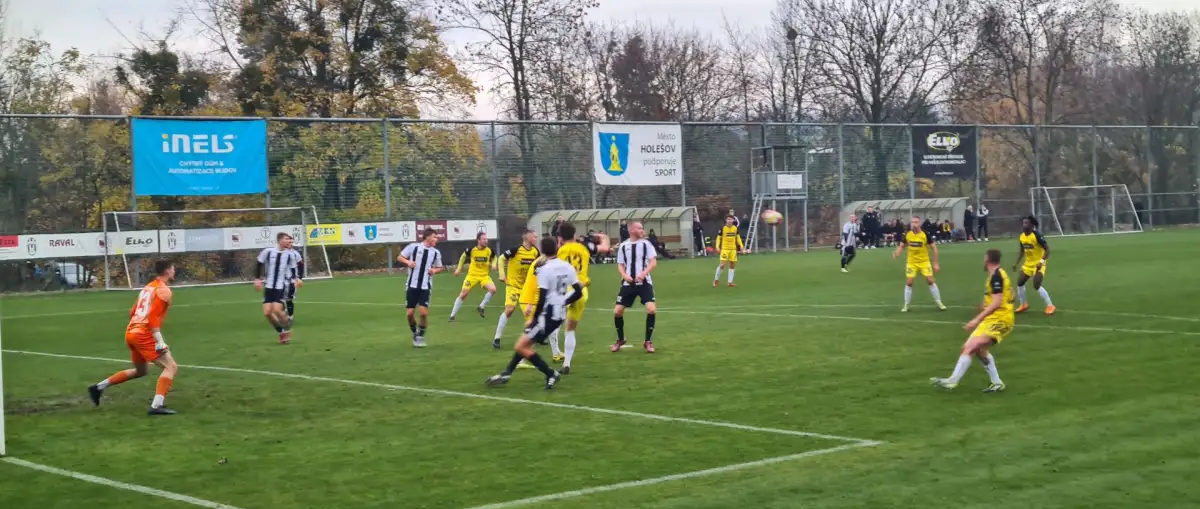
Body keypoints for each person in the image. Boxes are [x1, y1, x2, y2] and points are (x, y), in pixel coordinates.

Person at [485, 236, 582, 390]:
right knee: (525, 343)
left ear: (542, 250)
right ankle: (506, 373)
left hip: (546, 315)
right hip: (558, 314)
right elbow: (578, 292)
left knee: (521, 346)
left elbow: (542, 297)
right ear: (556, 249)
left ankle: (551, 374)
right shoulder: (567, 266)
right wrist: (562, 302)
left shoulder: (543, 268)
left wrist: (534, 318)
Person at [87, 259, 181, 415]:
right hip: (144, 334)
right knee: (170, 367)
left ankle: (98, 388)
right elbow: (152, 318)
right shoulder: (163, 291)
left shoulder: (147, 288)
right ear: (166, 271)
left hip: (131, 332)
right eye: (172, 269)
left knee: (141, 371)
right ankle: (157, 406)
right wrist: (160, 341)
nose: (174, 271)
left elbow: (132, 312)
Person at [931, 249, 1012, 393]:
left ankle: (952, 381)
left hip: (1000, 320)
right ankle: (997, 383)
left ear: (987, 260)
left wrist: (976, 319)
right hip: (992, 319)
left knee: (970, 347)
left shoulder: (996, 277)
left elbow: (997, 303)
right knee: (976, 349)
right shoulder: (998, 274)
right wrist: (982, 307)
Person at [556, 224, 610, 370]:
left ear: (560, 238)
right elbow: (605, 248)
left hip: (565, 289)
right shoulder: (585, 247)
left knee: (551, 319)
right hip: (582, 290)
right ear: (574, 235)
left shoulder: (558, 250)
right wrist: (602, 237)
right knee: (570, 328)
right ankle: (566, 363)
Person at [611, 222, 658, 355]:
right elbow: (620, 264)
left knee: (651, 309)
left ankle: (648, 341)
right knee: (617, 312)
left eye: (642, 228)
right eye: (639, 228)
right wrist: (625, 275)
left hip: (644, 283)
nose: (642, 230)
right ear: (631, 230)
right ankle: (620, 339)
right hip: (628, 284)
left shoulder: (646, 244)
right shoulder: (624, 245)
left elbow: (653, 262)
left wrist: (644, 273)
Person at [493, 229, 540, 349]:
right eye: (534, 236)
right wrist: (502, 274)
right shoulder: (516, 250)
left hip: (527, 288)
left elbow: (540, 265)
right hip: (513, 285)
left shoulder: (535, 252)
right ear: (527, 237)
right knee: (509, 310)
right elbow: (501, 259)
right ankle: (497, 338)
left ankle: (536, 336)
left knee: (533, 313)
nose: (536, 238)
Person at [398, 228, 445, 347]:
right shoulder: (413, 247)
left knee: (423, 313)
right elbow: (400, 257)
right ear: (427, 237)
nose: (436, 239)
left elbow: (440, 267)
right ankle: (415, 333)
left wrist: (434, 270)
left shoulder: (436, 252)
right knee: (409, 314)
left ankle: (420, 336)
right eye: (434, 237)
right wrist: (408, 262)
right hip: (411, 285)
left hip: (425, 286)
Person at [255, 232, 303, 344]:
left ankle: (288, 326)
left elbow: (293, 269)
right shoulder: (268, 252)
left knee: (276, 309)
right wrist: (257, 279)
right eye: (286, 239)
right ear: (280, 240)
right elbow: (259, 264)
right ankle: (281, 332)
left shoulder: (290, 255)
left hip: (281, 286)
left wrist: (298, 279)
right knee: (267, 313)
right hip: (269, 285)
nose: (289, 241)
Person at [893, 216, 946, 312]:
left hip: (924, 262)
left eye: (916, 222)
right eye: (912, 222)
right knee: (909, 282)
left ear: (919, 223)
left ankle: (939, 302)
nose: (914, 224)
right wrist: (897, 252)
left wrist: (935, 263)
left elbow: (934, 248)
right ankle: (906, 304)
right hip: (911, 262)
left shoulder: (925, 234)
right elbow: (902, 245)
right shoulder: (907, 234)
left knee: (930, 280)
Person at [1013, 216, 1056, 315]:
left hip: (1039, 264)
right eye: (1023, 223)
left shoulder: (1037, 235)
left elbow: (1047, 250)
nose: (1024, 225)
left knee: (1036, 285)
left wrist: (1041, 261)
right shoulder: (1022, 236)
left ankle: (1050, 306)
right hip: (1028, 265)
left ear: (1032, 225)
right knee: (1020, 283)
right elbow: (1022, 251)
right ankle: (1023, 304)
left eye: (1026, 223)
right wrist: (1016, 263)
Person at [450, 232, 496, 321]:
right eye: (484, 239)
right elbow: (463, 257)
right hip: (472, 276)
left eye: (487, 239)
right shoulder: (471, 250)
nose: (486, 241)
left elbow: (494, 257)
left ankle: (481, 307)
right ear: (478, 240)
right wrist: (458, 269)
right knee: (463, 294)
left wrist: (494, 264)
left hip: (484, 276)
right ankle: (452, 316)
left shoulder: (489, 250)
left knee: (493, 289)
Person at [713, 215, 747, 287]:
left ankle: (730, 282)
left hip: (733, 250)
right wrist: (717, 247)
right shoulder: (722, 228)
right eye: (728, 219)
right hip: (725, 249)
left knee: (732, 265)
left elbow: (738, 238)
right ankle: (716, 280)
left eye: (731, 219)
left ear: (733, 220)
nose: (729, 220)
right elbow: (718, 238)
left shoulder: (735, 228)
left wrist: (741, 246)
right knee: (722, 265)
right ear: (726, 220)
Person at [284, 245, 304, 325]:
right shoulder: (277, 253)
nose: (289, 243)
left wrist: (299, 278)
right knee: (278, 300)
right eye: (288, 241)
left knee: (289, 299)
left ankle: (290, 318)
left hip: (292, 280)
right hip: (280, 280)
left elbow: (301, 265)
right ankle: (284, 312)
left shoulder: (295, 254)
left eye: (291, 241)